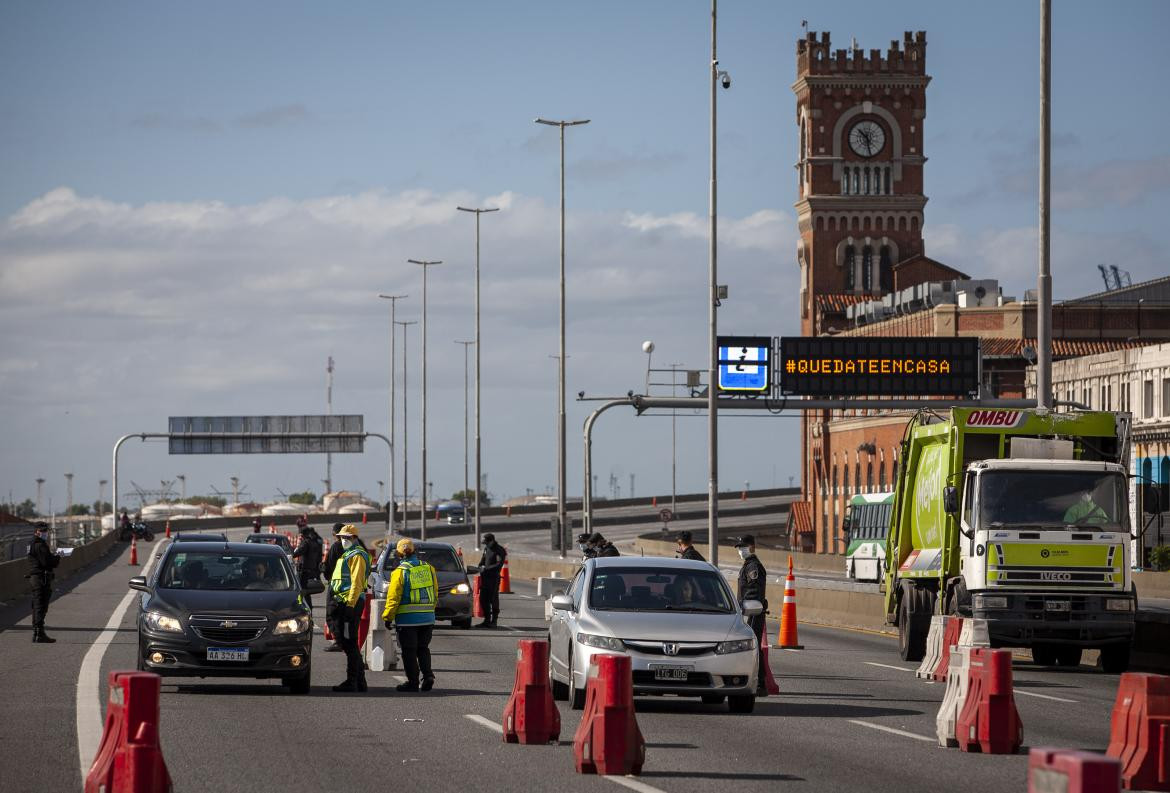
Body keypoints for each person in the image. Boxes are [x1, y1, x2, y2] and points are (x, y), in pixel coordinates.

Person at [382, 538, 438, 692]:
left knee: (409, 652)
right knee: (423, 648)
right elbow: (435, 592)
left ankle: (413, 682)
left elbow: (393, 597)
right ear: (414, 551)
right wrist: (430, 611)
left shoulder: (400, 572)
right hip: (427, 618)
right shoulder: (428, 568)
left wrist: (388, 617)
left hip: (408, 620)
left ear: (399, 555)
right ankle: (428, 676)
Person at [329, 524, 370, 692]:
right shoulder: (347, 555)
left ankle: (352, 681)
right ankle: (359, 682)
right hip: (343, 602)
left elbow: (357, 583)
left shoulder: (357, 556)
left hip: (349, 604)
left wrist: (351, 606)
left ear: (354, 538)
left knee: (349, 643)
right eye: (341, 538)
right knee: (348, 642)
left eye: (346, 538)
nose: (343, 541)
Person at [734, 535, 769, 697]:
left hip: (753, 611)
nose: (741, 550)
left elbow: (754, 591)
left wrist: (745, 606)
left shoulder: (753, 566)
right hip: (748, 611)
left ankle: (760, 683)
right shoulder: (747, 565)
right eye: (739, 548)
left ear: (752, 547)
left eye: (743, 547)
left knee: (754, 648)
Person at [27, 522, 60, 643]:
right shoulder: (40, 545)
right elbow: (48, 562)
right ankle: (39, 633)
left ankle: (37, 633)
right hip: (41, 578)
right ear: (37, 532)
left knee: (37, 605)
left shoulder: (31, 543)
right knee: (40, 606)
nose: (46, 533)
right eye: (43, 531)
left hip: (36, 578)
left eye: (46, 531)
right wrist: (57, 556)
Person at [321, 523, 346, 652]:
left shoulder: (336, 546)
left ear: (336, 534)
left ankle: (337, 641)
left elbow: (328, 566)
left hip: (336, 585)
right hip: (352, 586)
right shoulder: (356, 547)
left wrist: (326, 575)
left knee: (333, 613)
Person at [476, 533, 506, 628]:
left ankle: (494, 621)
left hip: (493, 578)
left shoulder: (499, 550)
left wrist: (487, 568)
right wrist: (480, 567)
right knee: (483, 599)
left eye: (487, 542)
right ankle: (487, 620)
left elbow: (499, 564)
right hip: (485, 578)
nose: (486, 544)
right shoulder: (486, 549)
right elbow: (483, 560)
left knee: (493, 599)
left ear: (492, 541)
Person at [291, 523, 323, 609]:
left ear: (302, 534)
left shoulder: (305, 543)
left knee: (302, 591)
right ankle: (308, 609)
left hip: (304, 571)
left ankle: (303, 609)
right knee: (307, 593)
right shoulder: (314, 542)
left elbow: (297, 553)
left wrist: (291, 554)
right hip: (311, 570)